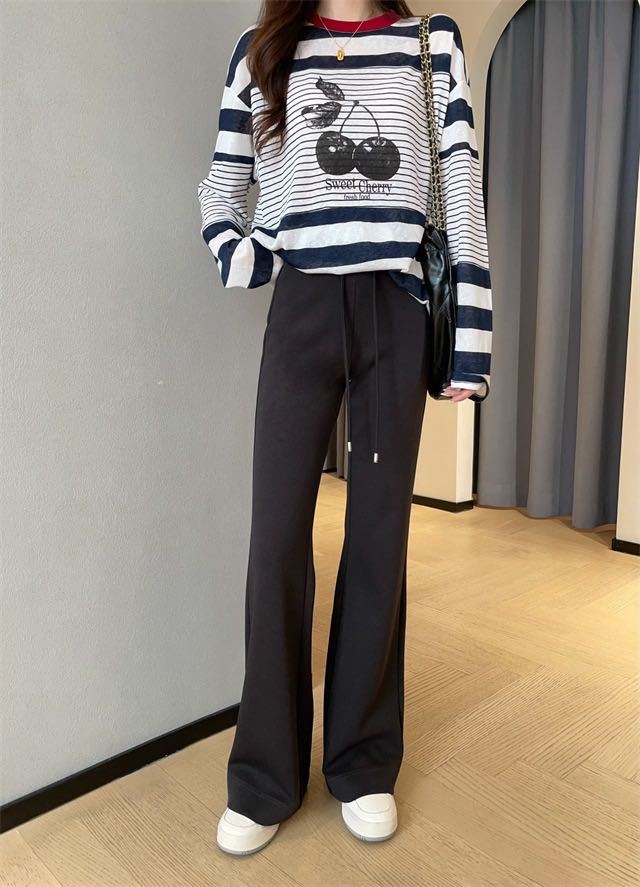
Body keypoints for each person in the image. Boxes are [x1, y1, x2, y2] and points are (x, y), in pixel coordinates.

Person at [196, 0, 492, 856]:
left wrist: (469, 339)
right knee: (277, 538)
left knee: (378, 535)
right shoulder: (262, 50)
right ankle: (264, 775)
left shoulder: (432, 44)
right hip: (302, 306)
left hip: (396, 305)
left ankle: (362, 762)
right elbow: (223, 179)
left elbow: (460, 190)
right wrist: (244, 253)